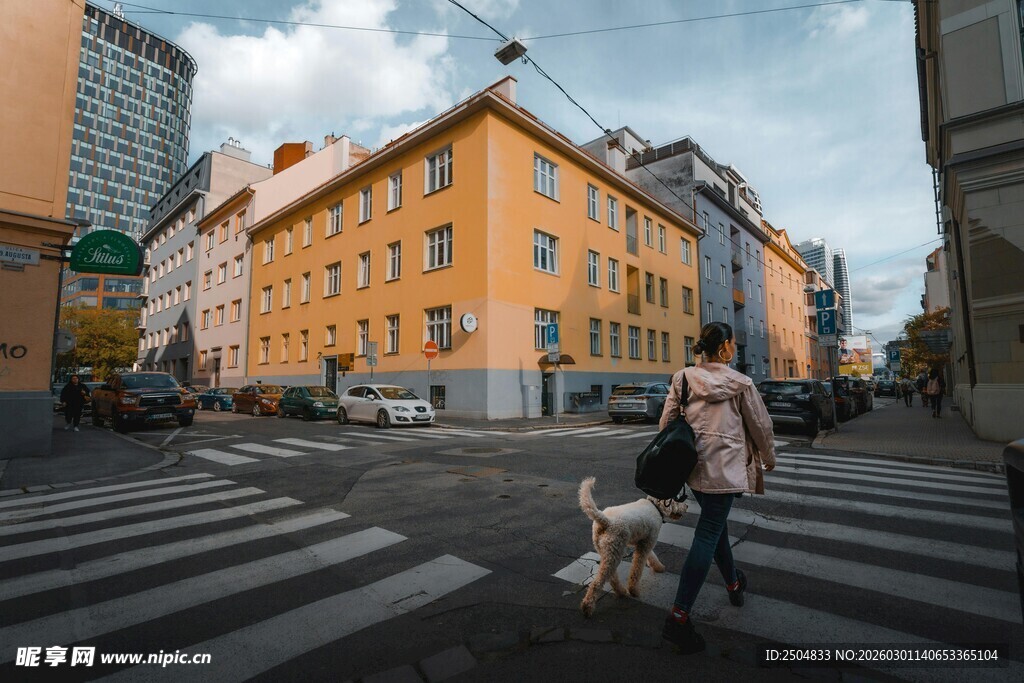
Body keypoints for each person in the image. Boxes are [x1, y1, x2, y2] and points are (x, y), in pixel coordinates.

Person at [658, 322, 777, 654]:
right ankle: (678, 618)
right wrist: (768, 457)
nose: (735, 349)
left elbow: (666, 424)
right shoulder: (740, 384)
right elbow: (761, 425)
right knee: (709, 532)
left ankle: (733, 582)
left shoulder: (682, 379)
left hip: (693, 471)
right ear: (724, 347)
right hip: (724, 472)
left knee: (715, 527)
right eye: (733, 343)